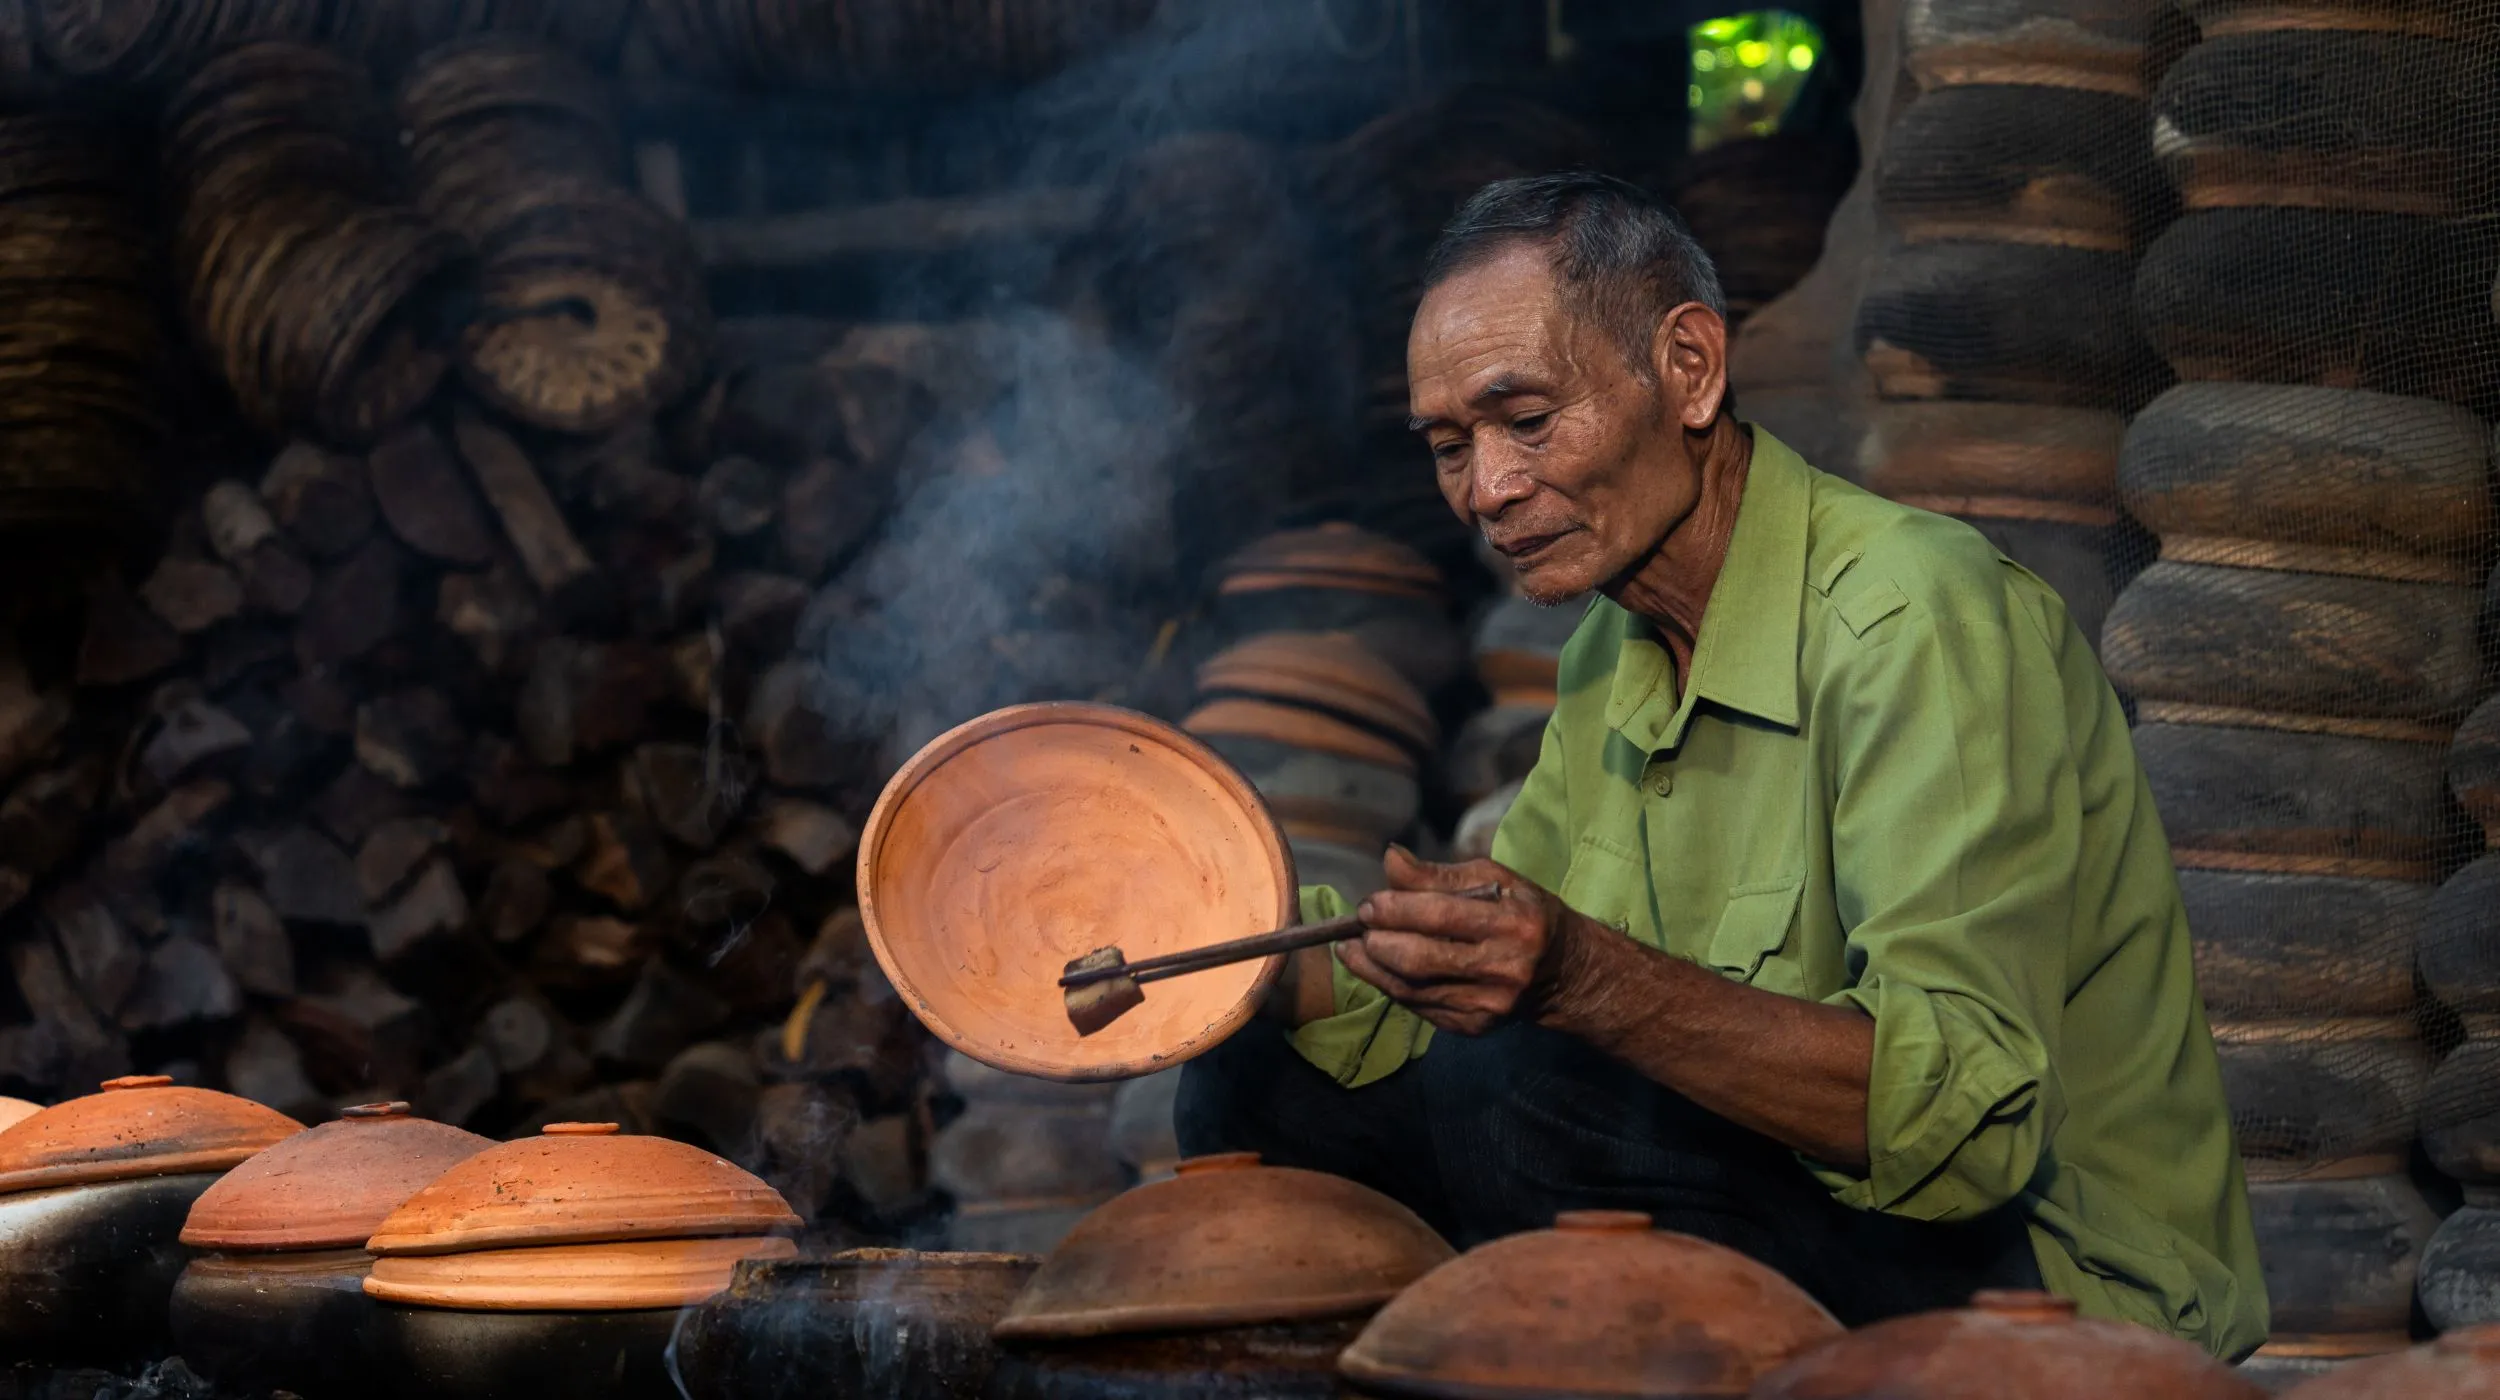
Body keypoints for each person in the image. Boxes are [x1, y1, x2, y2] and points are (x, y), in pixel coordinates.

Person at [1176, 171, 2267, 1358]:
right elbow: (1476, 993)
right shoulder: (1612, 642)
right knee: (1253, 1078)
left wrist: (1581, 976)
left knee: (1529, 1103)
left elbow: (1963, 1125)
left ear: (1689, 368)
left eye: (1527, 421)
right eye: (1451, 444)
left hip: (2042, 1278)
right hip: (1795, 1210)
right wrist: (1237, 961)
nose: (1487, 489)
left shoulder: (1913, 614)